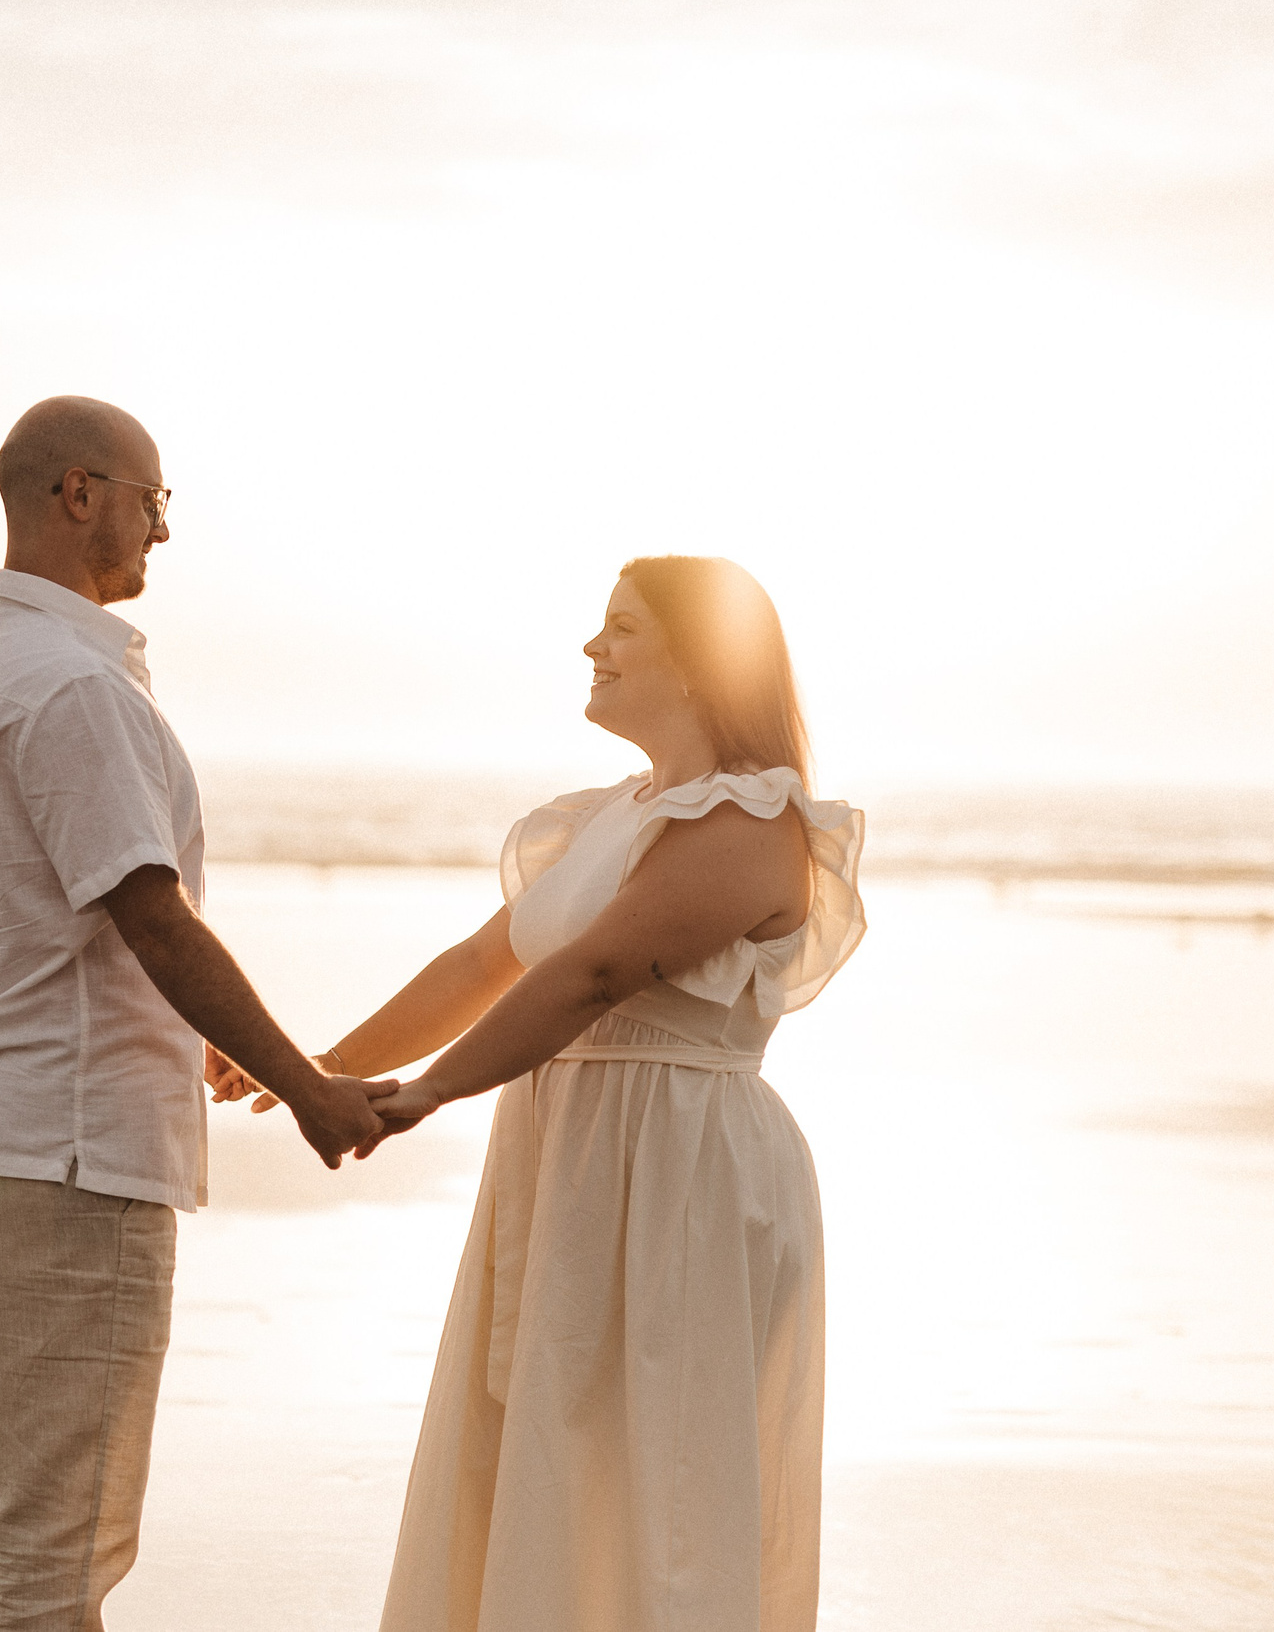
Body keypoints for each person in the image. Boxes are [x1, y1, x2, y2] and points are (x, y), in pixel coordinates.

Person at [239, 554, 865, 1632]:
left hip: (680, 1172)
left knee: (658, 1483)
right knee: (540, 1452)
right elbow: (486, 964)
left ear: (699, 661)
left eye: (620, 628)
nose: (591, 647)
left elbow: (593, 976)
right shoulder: (602, 818)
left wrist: (427, 1093)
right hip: (571, 1156)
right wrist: (322, 1065)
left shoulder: (751, 822)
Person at [0, 395, 396, 1632]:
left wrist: (204, 1037)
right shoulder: (72, 687)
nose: (162, 533)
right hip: (68, 1158)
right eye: (153, 502)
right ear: (79, 494)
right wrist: (309, 1085)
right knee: (57, 1548)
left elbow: (70, 920)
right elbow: (147, 914)